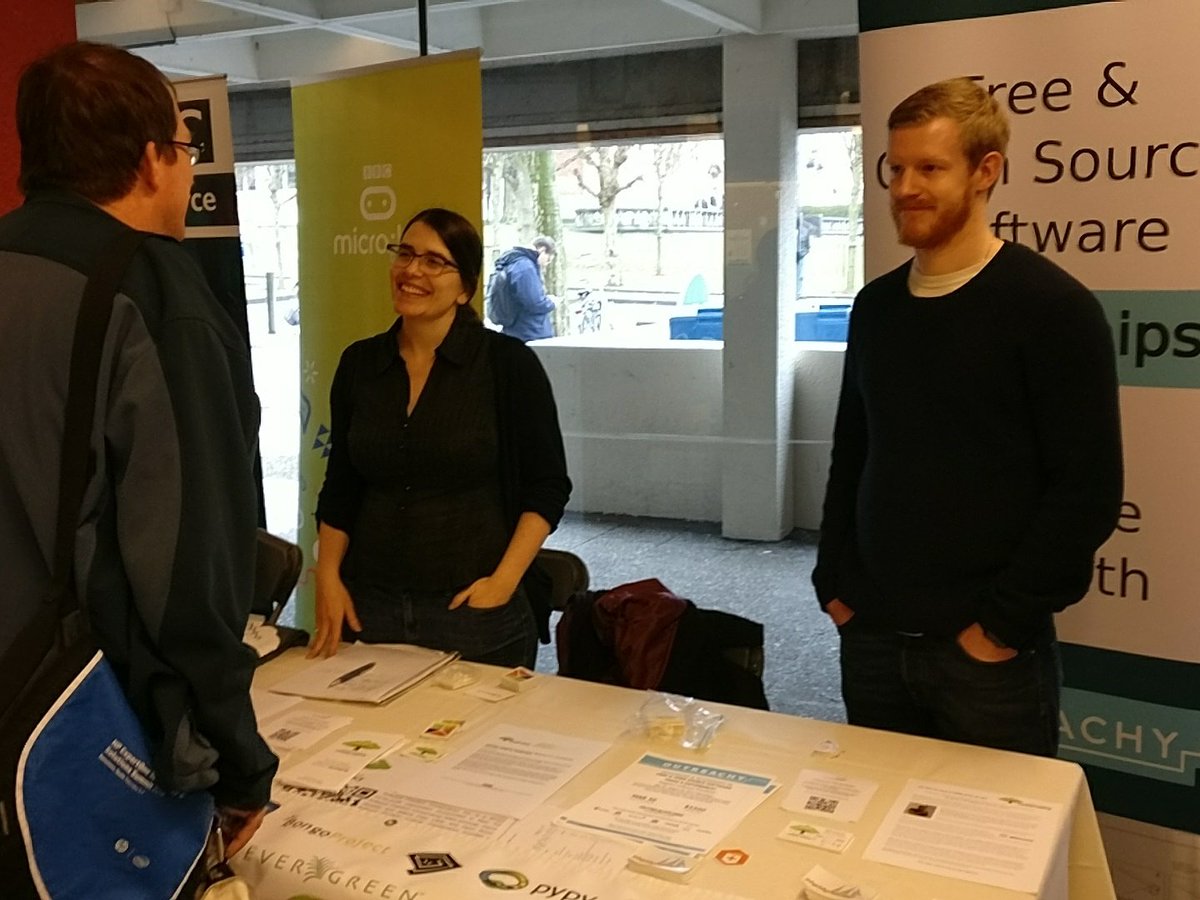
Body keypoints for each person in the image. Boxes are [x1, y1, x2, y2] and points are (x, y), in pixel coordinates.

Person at [0, 42, 276, 889]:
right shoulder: (150, 291)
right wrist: (237, 760)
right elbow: (191, 561)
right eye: (184, 152)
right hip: (94, 732)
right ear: (153, 157)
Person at [812, 77, 1123, 757]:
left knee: (994, 855)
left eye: (930, 168)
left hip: (987, 658)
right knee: (874, 843)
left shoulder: (1051, 309)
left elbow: (1087, 490)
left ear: (987, 172)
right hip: (871, 636)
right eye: (896, 168)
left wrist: (999, 629)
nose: (904, 188)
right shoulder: (877, 308)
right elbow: (854, 452)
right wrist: (832, 584)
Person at [310, 208, 571, 668]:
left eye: (434, 261)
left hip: (474, 612)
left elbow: (547, 486)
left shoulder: (507, 365)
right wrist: (328, 576)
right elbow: (342, 483)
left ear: (465, 287)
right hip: (369, 608)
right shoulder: (360, 364)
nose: (412, 270)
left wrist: (503, 583)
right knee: (366, 740)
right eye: (405, 254)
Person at [486, 234, 557, 342]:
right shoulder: (525, 267)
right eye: (548, 260)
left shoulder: (511, 263)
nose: (546, 264)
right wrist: (551, 302)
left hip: (514, 329)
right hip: (529, 332)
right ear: (542, 250)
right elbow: (534, 303)